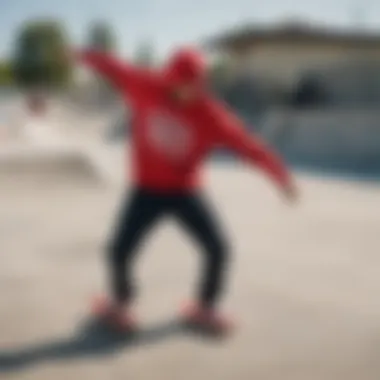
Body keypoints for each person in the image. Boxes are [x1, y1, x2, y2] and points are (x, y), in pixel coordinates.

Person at [75, 47, 297, 334]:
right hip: (146, 190)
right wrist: (81, 55)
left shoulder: (211, 114)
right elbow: (114, 67)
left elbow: (247, 145)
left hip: (186, 192)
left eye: (198, 85)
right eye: (184, 85)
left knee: (218, 248)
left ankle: (204, 307)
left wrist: (280, 176)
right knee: (118, 251)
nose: (191, 92)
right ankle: (120, 303)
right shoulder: (145, 86)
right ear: (170, 79)